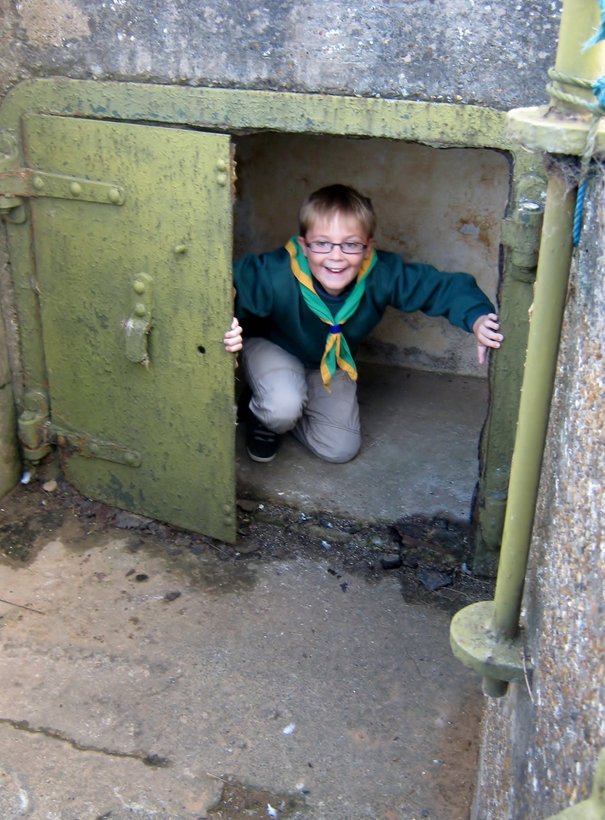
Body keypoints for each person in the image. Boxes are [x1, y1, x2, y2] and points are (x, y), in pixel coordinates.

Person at [223, 184, 502, 464]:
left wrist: (477, 317)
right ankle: (265, 415)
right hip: (275, 346)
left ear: (367, 248)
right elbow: (226, 288)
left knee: (339, 449)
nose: (336, 256)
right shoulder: (276, 273)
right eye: (322, 243)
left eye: (350, 244)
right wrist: (228, 325)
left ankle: (283, 406)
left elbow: (437, 287)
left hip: (329, 359)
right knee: (282, 406)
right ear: (303, 246)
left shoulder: (381, 273)